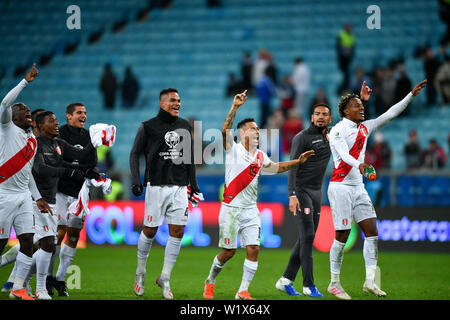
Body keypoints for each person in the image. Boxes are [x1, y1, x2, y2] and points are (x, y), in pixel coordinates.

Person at [202, 90, 315, 300]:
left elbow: (277, 167)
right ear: (242, 133)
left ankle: (243, 291)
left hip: (251, 210)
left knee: (253, 249)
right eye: (253, 129)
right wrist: (235, 107)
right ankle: (210, 280)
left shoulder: (261, 156)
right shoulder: (232, 149)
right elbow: (224, 129)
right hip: (231, 209)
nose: (257, 132)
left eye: (257, 129)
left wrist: (297, 162)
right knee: (228, 252)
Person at [327, 79, 427, 300]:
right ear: (345, 110)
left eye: (362, 106)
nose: (362, 108)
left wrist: (411, 95)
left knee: (372, 232)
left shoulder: (365, 127)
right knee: (342, 235)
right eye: (356, 106)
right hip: (340, 186)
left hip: (358, 187)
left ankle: (370, 282)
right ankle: (334, 283)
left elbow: (389, 115)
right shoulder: (337, 130)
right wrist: (359, 164)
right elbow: (343, 154)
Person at [130, 88, 200, 299]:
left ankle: (165, 277)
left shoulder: (184, 126)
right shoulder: (148, 126)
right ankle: (140, 272)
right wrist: (136, 180)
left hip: (179, 187)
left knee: (178, 231)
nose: (177, 103)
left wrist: (194, 186)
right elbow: (134, 154)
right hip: (156, 186)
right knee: (150, 231)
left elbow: (189, 158)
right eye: (172, 100)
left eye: (179, 100)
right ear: (162, 103)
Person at [26, 111, 98, 299]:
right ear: (40, 126)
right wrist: (67, 173)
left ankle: (28, 283)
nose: (55, 123)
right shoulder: (36, 144)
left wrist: (95, 143)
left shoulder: (58, 143)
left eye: (56, 120)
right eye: (51, 121)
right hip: (39, 199)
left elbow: (80, 156)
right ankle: (28, 282)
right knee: (45, 242)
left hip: (52, 199)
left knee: (48, 242)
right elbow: (40, 168)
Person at [0, 64, 52, 300]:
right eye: (23, 110)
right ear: (13, 116)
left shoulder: (32, 139)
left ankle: (18, 287)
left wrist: (38, 197)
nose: (27, 112)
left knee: (28, 242)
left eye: (29, 110)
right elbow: (4, 104)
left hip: (23, 197)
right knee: (1, 243)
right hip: (4, 194)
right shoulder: (6, 128)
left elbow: (28, 171)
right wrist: (24, 82)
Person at [275, 101, 334, 298]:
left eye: (324, 114)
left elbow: (354, 124)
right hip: (301, 191)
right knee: (307, 237)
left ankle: (285, 281)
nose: (320, 117)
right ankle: (309, 285)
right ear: (311, 117)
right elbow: (293, 167)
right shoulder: (301, 138)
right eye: (317, 113)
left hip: (318, 193)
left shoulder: (332, 135)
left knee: (306, 238)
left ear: (330, 118)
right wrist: (291, 195)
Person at [48, 102, 99, 297]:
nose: (83, 116)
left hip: (80, 194)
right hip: (60, 192)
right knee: (58, 234)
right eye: (79, 113)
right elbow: (56, 161)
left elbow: (92, 163)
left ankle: (60, 280)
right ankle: (46, 278)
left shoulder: (89, 137)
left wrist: (98, 177)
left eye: (85, 112)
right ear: (68, 116)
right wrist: (76, 168)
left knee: (74, 236)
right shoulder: (59, 134)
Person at [336, 23, 355, 94]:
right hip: (342, 58)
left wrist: (350, 53)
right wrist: (345, 51)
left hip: (348, 58)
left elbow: (353, 47)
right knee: (344, 74)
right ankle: (341, 90)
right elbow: (338, 46)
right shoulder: (341, 35)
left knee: (347, 75)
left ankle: (345, 89)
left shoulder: (352, 36)